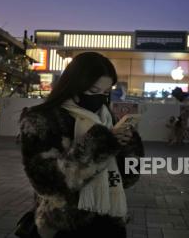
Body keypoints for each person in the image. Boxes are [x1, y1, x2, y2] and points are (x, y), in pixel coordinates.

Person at [19, 52, 144, 238]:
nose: (100, 98)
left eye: (105, 93)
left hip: (109, 220)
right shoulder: (41, 120)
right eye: (93, 91)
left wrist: (127, 146)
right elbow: (48, 183)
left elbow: (127, 180)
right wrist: (102, 143)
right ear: (74, 86)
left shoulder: (107, 118)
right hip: (63, 225)